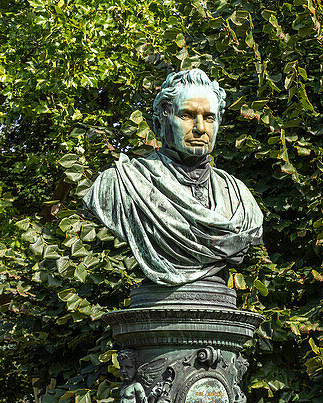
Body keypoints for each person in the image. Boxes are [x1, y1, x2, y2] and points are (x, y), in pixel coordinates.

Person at [83, 69, 263, 287]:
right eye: (187, 115)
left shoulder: (239, 196)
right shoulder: (119, 184)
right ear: (161, 123)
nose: (200, 128)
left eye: (209, 118)